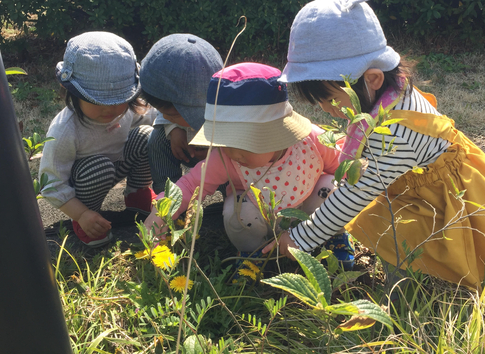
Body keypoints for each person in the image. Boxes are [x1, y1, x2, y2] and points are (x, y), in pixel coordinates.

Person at [264, 0, 485, 289]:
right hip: (419, 182)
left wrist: (299, 238)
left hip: (441, 197)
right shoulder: (389, 93)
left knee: (394, 230)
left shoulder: (397, 135)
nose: (325, 109)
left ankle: (409, 294)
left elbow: (354, 195)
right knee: (390, 223)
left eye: (330, 99)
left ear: (372, 79)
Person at [143, 62, 353, 267]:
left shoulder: (311, 142)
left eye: (245, 144)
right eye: (225, 142)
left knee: (331, 189)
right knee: (237, 213)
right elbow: (190, 185)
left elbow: (344, 169)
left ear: (277, 134)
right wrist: (160, 215)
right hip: (260, 219)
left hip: (310, 215)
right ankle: (252, 254)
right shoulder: (226, 158)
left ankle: (334, 237)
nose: (234, 153)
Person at [39, 32, 157, 247]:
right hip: (85, 182)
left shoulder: (128, 110)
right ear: (71, 91)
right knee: (98, 167)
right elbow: (52, 185)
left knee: (149, 136)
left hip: (116, 165)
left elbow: (158, 119)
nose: (109, 109)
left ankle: (138, 195)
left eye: (119, 100)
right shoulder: (66, 129)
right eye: (97, 100)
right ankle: (88, 220)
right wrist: (81, 213)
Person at [139, 34, 223, 194]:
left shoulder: (224, 104)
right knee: (157, 139)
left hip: (221, 164)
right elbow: (167, 111)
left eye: (174, 116)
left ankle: (235, 197)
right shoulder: (167, 100)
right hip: (186, 148)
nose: (167, 117)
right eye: (165, 113)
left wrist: (216, 152)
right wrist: (173, 127)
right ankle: (167, 195)